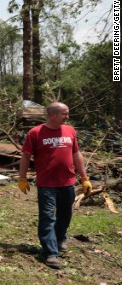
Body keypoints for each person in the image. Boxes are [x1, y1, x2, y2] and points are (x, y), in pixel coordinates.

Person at [18, 102, 91, 269]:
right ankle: (49, 253)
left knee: (65, 215)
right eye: (64, 114)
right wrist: (22, 178)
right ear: (52, 115)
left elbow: (76, 154)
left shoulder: (70, 131)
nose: (67, 116)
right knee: (48, 218)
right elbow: (25, 156)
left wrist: (84, 177)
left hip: (68, 182)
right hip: (47, 184)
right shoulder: (35, 133)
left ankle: (59, 240)